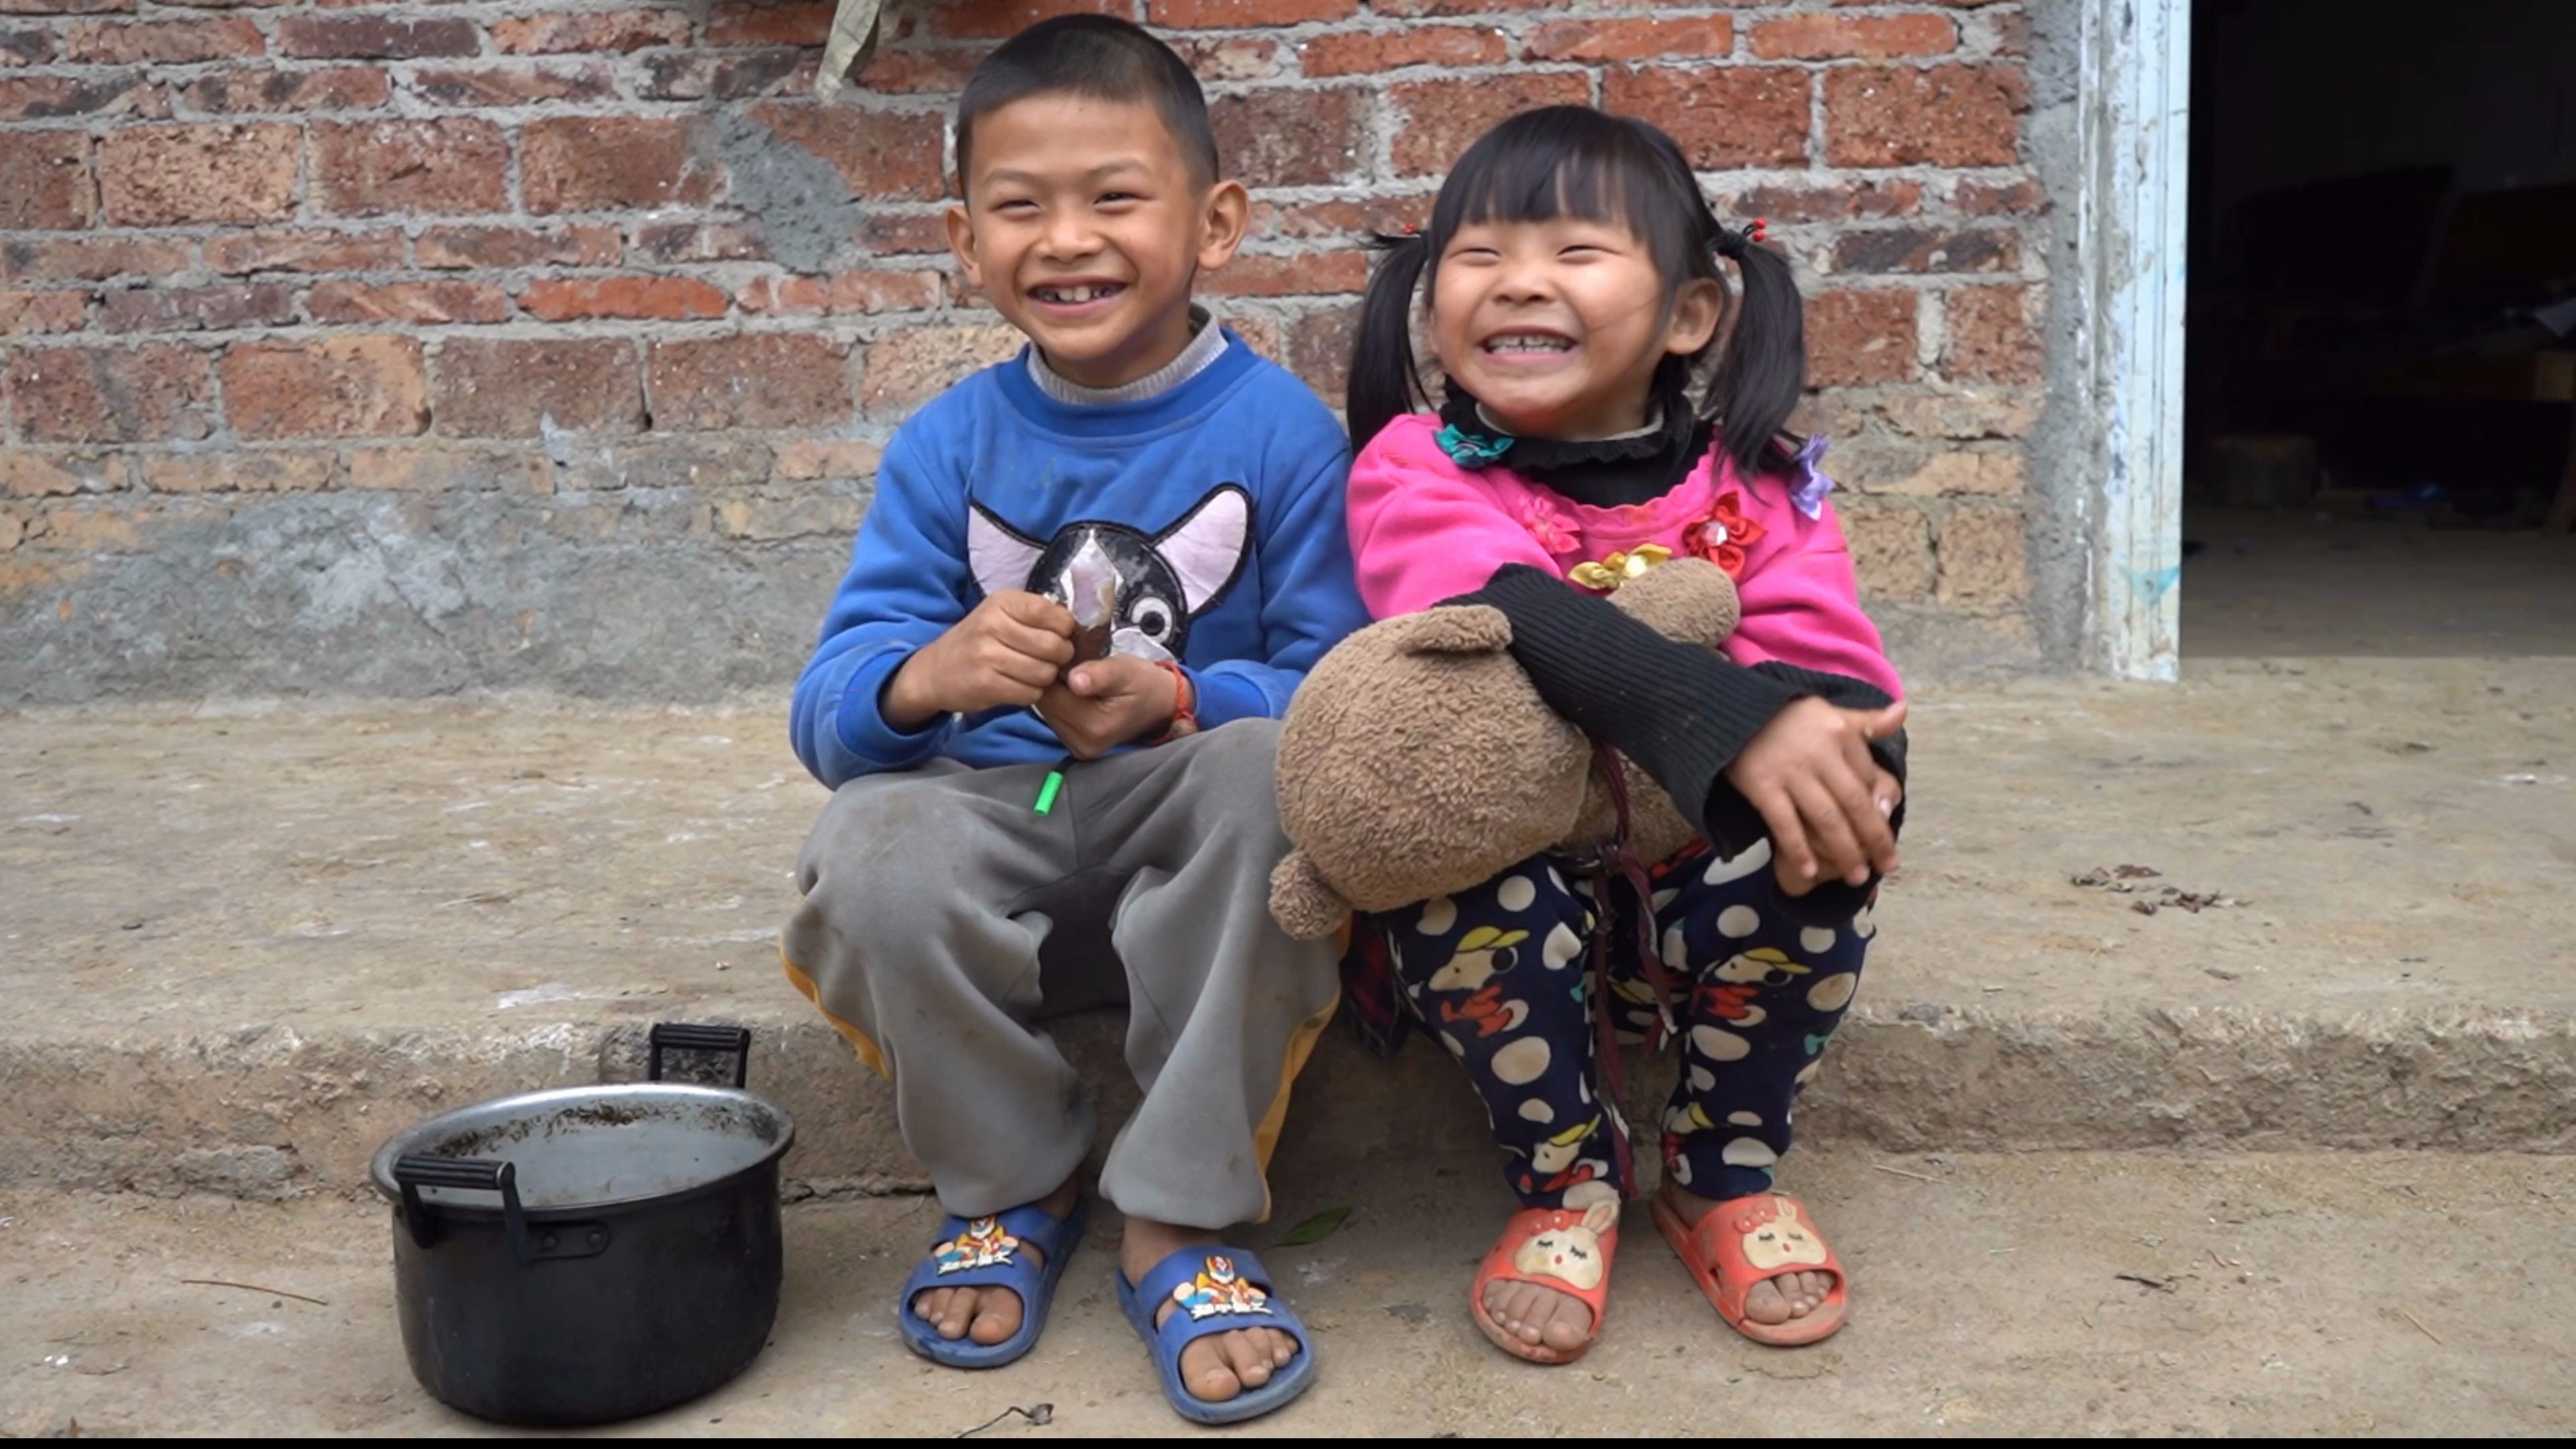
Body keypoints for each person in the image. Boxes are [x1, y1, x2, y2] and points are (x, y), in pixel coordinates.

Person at [779, 14, 1366, 1425]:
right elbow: (834, 700)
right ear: (965, 242)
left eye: (1114, 197)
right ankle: (1016, 1176)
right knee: (867, 846)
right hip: (1001, 815)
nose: (1065, 241)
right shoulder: (946, 449)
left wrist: (1187, 695)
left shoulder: (1284, 434)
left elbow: (1344, 678)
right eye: (1018, 207)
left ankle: (1180, 1211)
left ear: (1214, 221)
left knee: (1276, 777)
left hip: (1189, 817)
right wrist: (928, 677)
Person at [1338, 105, 1910, 1365]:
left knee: (1844, 761)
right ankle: (1567, 1178)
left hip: (1693, 868)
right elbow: (1490, 606)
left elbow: (1837, 674)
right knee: (1444, 792)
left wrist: (1780, 724)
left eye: (1576, 250)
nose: (1519, 280)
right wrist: (1710, 711)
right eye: (1477, 253)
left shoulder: (1757, 486)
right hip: (1520, 879)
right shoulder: (1419, 467)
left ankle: (1722, 1165)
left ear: (1692, 314)